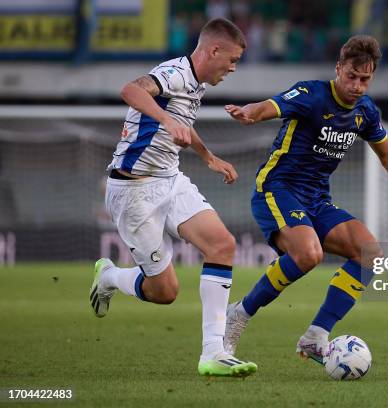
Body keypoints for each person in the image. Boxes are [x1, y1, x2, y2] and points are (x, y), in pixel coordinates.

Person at [223, 35, 388, 364]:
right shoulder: (311, 94)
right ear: (338, 69)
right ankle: (239, 314)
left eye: (364, 79)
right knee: (310, 254)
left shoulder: (366, 111)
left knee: (370, 254)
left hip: (317, 199)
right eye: (351, 76)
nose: (356, 85)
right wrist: (251, 112)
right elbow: (272, 105)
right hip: (277, 189)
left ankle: (316, 336)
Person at [89, 18, 257, 378]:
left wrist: (209, 157)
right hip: (133, 191)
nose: (232, 68)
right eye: (232, 60)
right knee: (165, 292)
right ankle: (110, 277)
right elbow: (131, 90)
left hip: (170, 180)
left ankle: (214, 352)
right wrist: (165, 119)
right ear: (213, 50)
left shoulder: (196, 83)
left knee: (222, 245)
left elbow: (185, 123)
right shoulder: (174, 73)